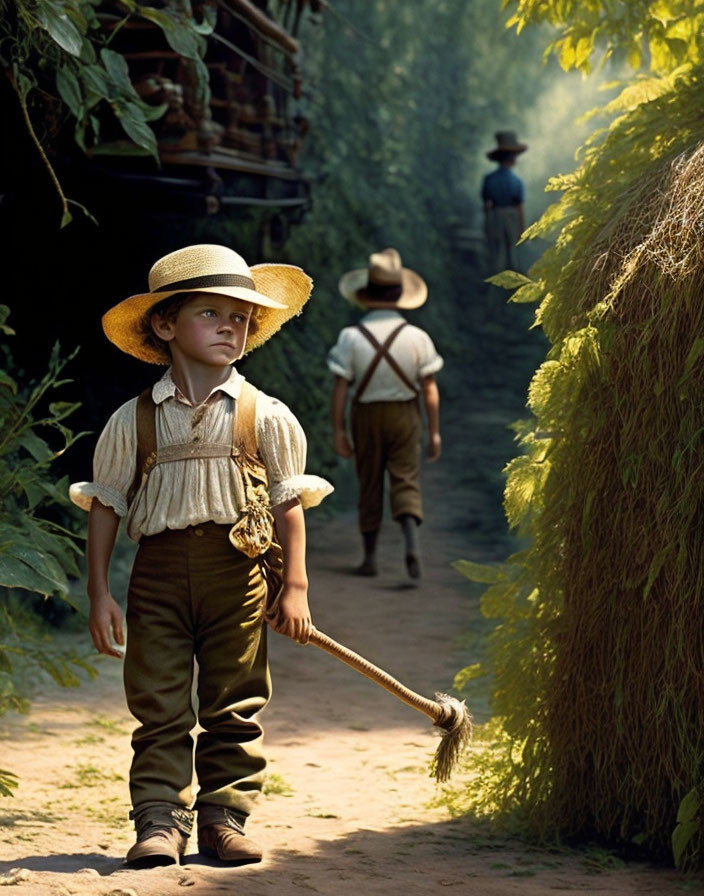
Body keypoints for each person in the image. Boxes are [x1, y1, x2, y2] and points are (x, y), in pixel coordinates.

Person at [69, 244, 332, 868]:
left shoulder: (264, 415)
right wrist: (99, 592)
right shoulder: (132, 421)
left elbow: (289, 501)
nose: (230, 328)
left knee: (234, 700)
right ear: (164, 325)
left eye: (241, 318)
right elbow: (106, 504)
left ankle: (223, 816)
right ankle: (159, 820)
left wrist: (294, 587)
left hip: (236, 576)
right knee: (157, 702)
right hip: (156, 580)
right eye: (211, 314)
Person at [327, 248, 442, 579]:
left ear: (366, 296)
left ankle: (370, 558)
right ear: (400, 295)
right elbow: (430, 389)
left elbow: (340, 389)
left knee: (370, 482)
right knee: (405, 478)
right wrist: (434, 431)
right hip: (406, 414)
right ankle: (412, 543)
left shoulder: (351, 337)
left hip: (365, 416)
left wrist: (339, 430)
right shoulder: (417, 337)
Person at [481, 130, 528, 274]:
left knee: (497, 255)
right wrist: (522, 229)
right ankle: (513, 286)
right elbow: (519, 207)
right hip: (512, 217)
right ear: (513, 157)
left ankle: (495, 284)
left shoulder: (489, 179)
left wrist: (488, 225)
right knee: (514, 255)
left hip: (495, 217)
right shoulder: (517, 181)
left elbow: (486, 205)